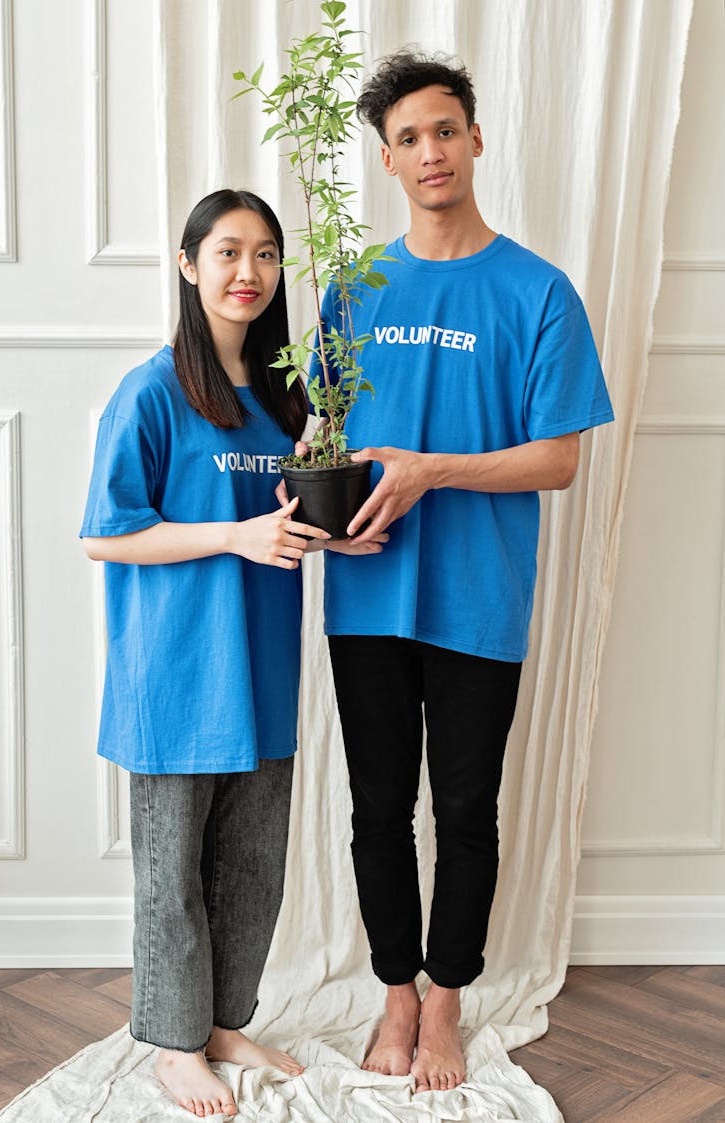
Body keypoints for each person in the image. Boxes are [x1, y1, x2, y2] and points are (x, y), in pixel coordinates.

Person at [310, 51, 615, 1094]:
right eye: (408, 138)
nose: (430, 151)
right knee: (376, 806)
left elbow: (561, 458)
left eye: (446, 130)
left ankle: (448, 999)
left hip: (480, 596)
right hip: (366, 590)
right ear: (387, 160)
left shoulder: (537, 291)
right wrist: (319, 519)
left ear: (476, 140)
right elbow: (321, 434)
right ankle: (394, 990)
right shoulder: (354, 287)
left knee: (466, 812)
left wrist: (435, 467)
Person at [80, 189, 385, 1118]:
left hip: (260, 668)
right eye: (226, 253)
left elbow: (283, 524)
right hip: (174, 677)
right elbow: (106, 534)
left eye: (264, 255)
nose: (247, 273)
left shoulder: (287, 401)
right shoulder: (151, 392)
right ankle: (173, 1044)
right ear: (188, 266)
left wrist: (335, 538)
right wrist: (233, 537)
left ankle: (219, 1022)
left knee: (251, 863)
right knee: (171, 871)